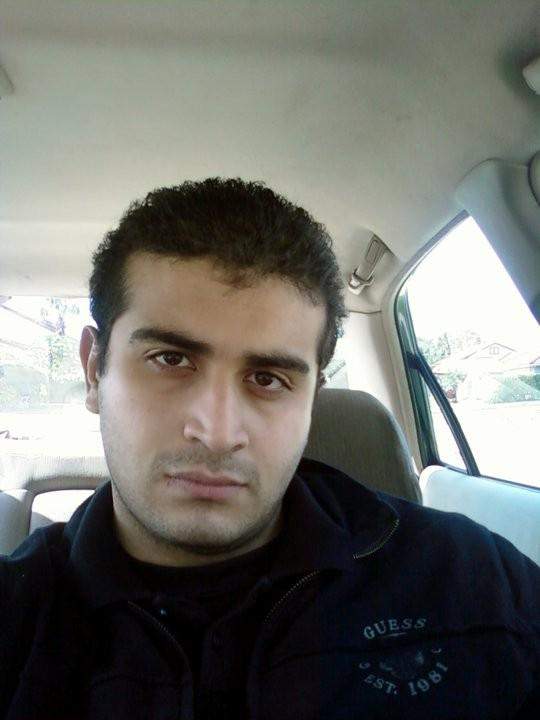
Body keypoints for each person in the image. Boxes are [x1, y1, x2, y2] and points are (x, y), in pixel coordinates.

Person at [0, 178, 538, 719]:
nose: (216, 433)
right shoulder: (17, 616)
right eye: (170, 359)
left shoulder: (471, 582)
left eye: (267, 379)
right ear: (94, 370)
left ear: (311, 399)